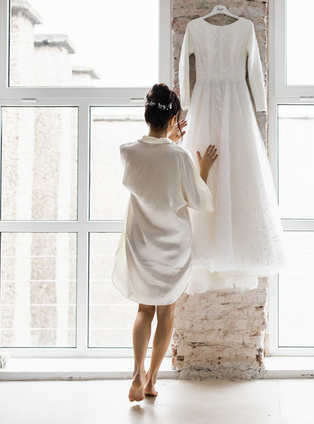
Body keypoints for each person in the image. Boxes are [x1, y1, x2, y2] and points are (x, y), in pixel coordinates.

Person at [111, 83, 218, 402]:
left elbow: (149, 167)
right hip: (172, 244)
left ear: (147, 117)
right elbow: (199, 200)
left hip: (141, 240)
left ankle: (136, 371)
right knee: (166, 311)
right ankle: (152, 381)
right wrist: (203, 170)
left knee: (144, 309)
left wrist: (168, 139)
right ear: (174, 119)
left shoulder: (127, 151)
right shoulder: (181, 157)